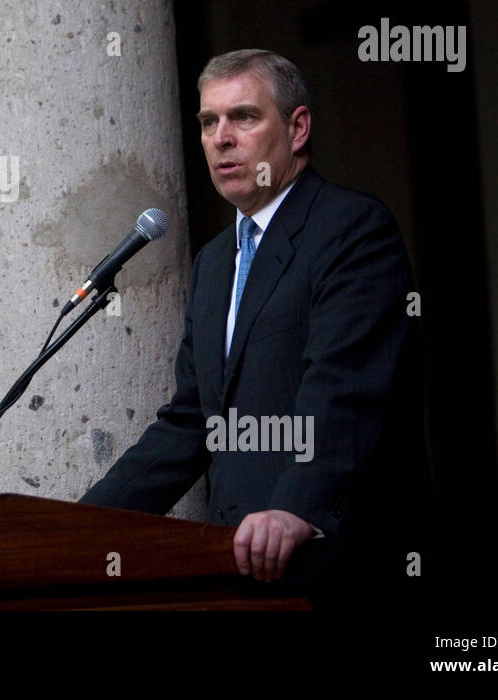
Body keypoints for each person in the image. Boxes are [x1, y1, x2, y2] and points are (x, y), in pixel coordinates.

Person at [80, 49, 433, 608]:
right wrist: (80, 528)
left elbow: (344, 390)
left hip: (335, 570)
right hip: (235, 574)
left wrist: (297, 507)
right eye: (207, 122)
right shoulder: (216, 261)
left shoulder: (352, 230)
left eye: (244, 117)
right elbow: (192, 421)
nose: (221, 137)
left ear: (297, 129)